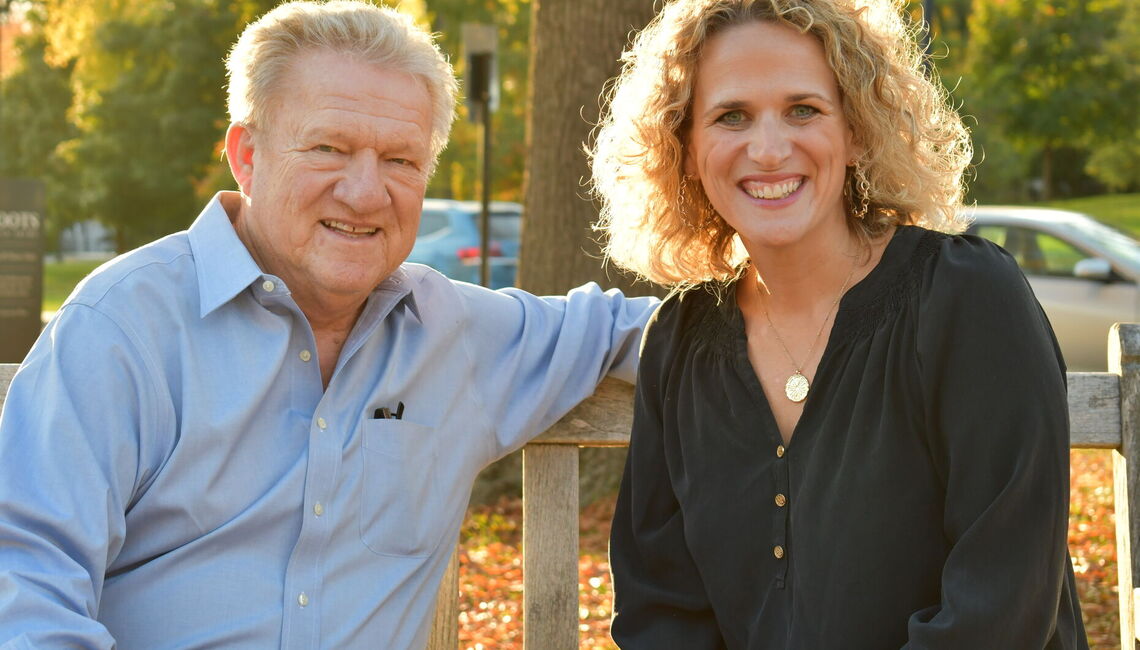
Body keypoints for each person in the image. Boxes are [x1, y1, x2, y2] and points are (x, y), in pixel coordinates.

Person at [0, 2, 657, 648]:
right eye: (328, 148)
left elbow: (641, 330)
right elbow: (25, 587)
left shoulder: (456, 333)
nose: (366, 192)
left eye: (400, 160)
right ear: (247, 155)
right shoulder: (123, 327)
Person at [590, 0, 1088, 647]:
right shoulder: (680, 342)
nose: (768, 149)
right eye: (731, 116)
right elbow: (661, 609)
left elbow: (1000, 604)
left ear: (856, 131)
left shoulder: (967, 299)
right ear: (685, 150)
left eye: (804, 109)